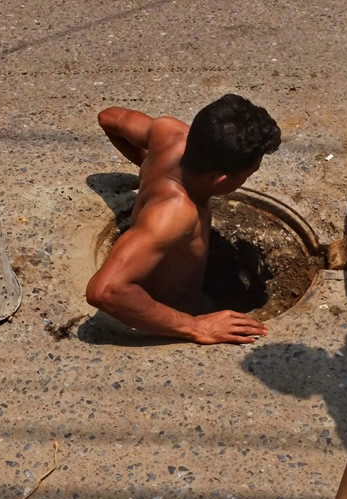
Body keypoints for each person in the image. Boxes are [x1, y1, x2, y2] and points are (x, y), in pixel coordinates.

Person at [86, 94, 281, 344]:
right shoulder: (175, 213)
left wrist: (148, 164)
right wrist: (195, 326)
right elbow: (105, 290)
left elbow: (110, 118)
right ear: (220, 180)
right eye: (249, 172)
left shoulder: (169, 132)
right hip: (170, 311)